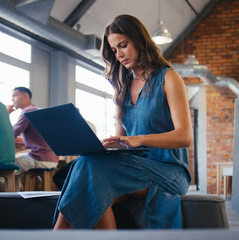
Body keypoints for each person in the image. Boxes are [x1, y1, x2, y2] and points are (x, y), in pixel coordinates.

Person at [53, 14, 193, 230]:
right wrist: (104, 145)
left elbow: (184, 136)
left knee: (90, 173)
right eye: (114, 50)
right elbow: (122, 141)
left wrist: (139, 139)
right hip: (134, 167)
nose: (118, 55)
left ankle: (55, 235)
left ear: (139, 40)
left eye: (123, 46)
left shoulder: (168, 78)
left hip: (169, 171)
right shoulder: (123, 87)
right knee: (90, 178)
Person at [7, 87, 59, 191]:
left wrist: (6, 114)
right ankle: (17, 196)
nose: (12, 99)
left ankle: (12, 200)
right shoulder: (36, 110)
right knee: (16, 173)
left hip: (40, 158)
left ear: (25, 96)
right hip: (51, 158)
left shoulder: (28, 111)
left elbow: (11, 134)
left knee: (5, 171)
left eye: (15, 95)